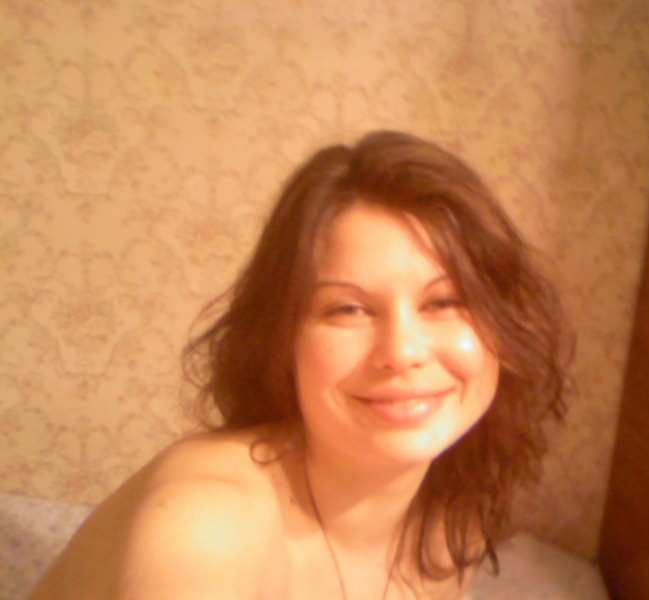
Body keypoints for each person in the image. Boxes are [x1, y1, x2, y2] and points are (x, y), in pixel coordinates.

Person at [32, 131, 571, 599]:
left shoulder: (451, 520)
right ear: (282, 338)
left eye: (445, 301)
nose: (402, 351)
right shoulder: (208, 523)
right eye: (348, 309)